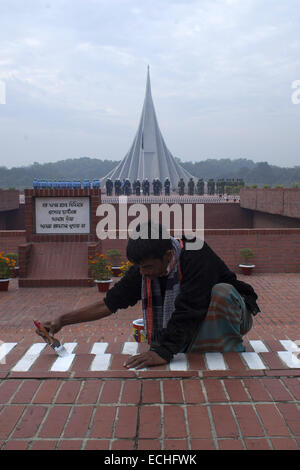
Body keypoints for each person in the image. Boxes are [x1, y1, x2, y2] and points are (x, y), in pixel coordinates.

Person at [38, 221, 260, 369]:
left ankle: (228, 351)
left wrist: (163, 352)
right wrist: (62, 321)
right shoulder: (145, 267)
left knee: (221, 292)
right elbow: (109, 303)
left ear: (166, 256)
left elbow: (190, 309)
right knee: (186, 338)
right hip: (197, 321)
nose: (144, 273)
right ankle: (195, 345)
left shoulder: (195, 254)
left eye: (148, 267)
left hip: (232, 314)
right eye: (139, 268)